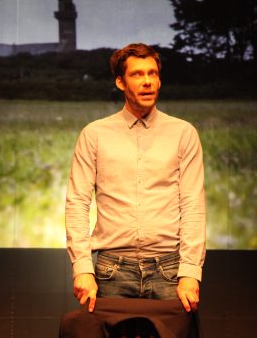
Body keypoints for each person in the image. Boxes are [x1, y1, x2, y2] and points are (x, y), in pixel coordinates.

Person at [65, 43, 206, 314]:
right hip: (112, 271)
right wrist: (82, 268)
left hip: (169, 271)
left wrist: (190, 271)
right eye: (137, 74)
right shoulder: (95, 134)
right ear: (120, 82)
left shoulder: (183, 133)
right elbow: (77, 204)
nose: (147, 82)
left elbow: (193, 205)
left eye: (153, 73)